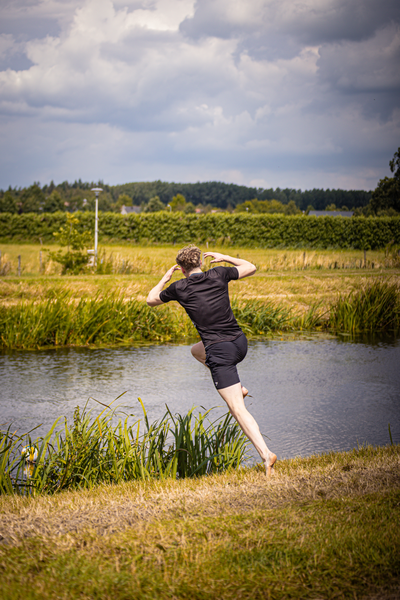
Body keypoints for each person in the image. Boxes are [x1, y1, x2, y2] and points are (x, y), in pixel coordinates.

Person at [146, 245, 277, 476]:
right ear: (200, 263)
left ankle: (267, 455)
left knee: (237, 409)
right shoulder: (218, 273)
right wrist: (225, 257)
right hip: (239, 343)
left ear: (182, 269)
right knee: (196, 351)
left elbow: (151, 299)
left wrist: (164, 279)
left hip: (220, 352)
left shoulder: (179, 287)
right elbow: (251, 267)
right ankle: (240, 387)